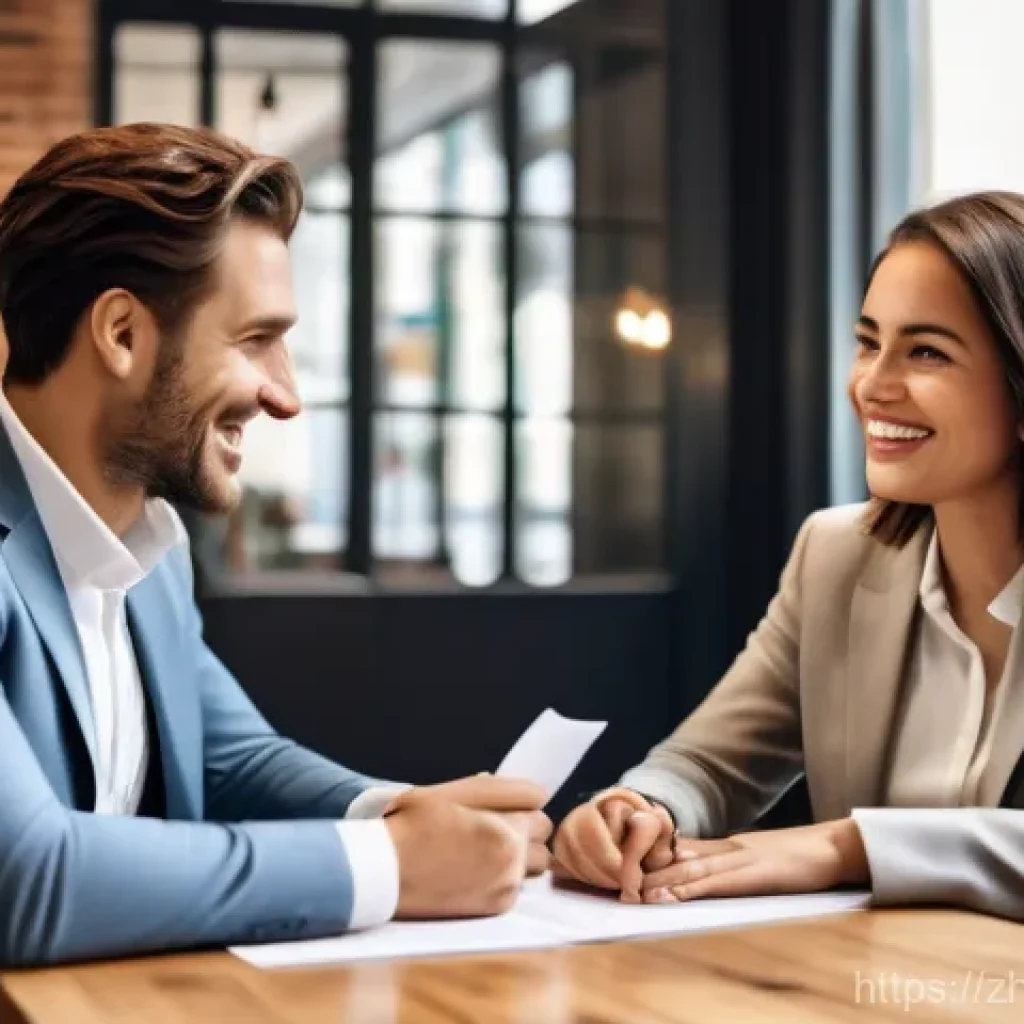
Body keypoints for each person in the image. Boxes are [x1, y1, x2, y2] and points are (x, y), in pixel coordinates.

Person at [0, 124, 552, 968]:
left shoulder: (153, 550)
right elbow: (25, 879)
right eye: (256, 339)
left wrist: (404, 816)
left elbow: (231, 761)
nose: (285, 394)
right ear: (120, 333)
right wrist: (392, 864)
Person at [554, 190, 1024, 920]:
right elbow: (708, 764)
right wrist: (639, 810)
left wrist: (848, 848)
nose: (872, 384)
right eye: (869, 342)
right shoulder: (836, 556)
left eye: (926, 351)